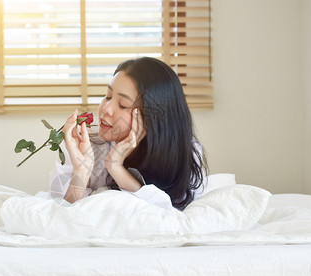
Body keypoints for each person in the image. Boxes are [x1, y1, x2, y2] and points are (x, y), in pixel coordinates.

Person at [49, 57, 207, 210]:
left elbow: (168, 215)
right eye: (108, 96)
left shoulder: (184, 152)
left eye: (123, 105)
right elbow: (62, 214)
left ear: (152, 118)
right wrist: (81, 171)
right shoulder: (84, 141)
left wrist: (115, 167)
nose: (106, 109)